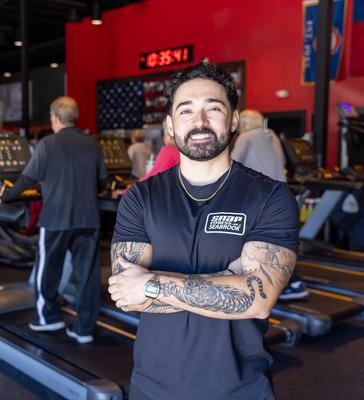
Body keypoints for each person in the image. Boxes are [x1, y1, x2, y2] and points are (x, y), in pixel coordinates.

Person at [108, 62, 298, 399]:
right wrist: (229, 280)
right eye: (186, 110)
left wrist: (150, 283)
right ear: (170, 124)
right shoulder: (141, 197)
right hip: (152, 386)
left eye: (213, 108)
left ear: (234, 119)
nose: (200, 122)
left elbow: (257, 299)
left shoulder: (270, 196)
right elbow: (126, 294)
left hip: (240, 388)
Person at [0, 96, 108, 344]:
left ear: (54, 117)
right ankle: (84, 329)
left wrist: (4, 197)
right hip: (88, 219)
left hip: (56, 220)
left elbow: (27, 179)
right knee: (88, 275)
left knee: (47, 270)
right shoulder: (92, 144)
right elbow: (102, 182)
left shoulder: (48, 143)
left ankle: (49, 318)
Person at [232, 109, 308, 300]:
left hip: (258, 197)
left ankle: (289, 283)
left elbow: (231, 164)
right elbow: (281, 160)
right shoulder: (271, 135)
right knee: (274, 241)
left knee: (255, 241)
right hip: (280, 194)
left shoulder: (246, 137)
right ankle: (293, 282)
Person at [139, 115, 180, 181]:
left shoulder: (169, 150)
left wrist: (127, 190)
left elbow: (153, 177)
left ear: (169, 136)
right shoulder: (183, 152)